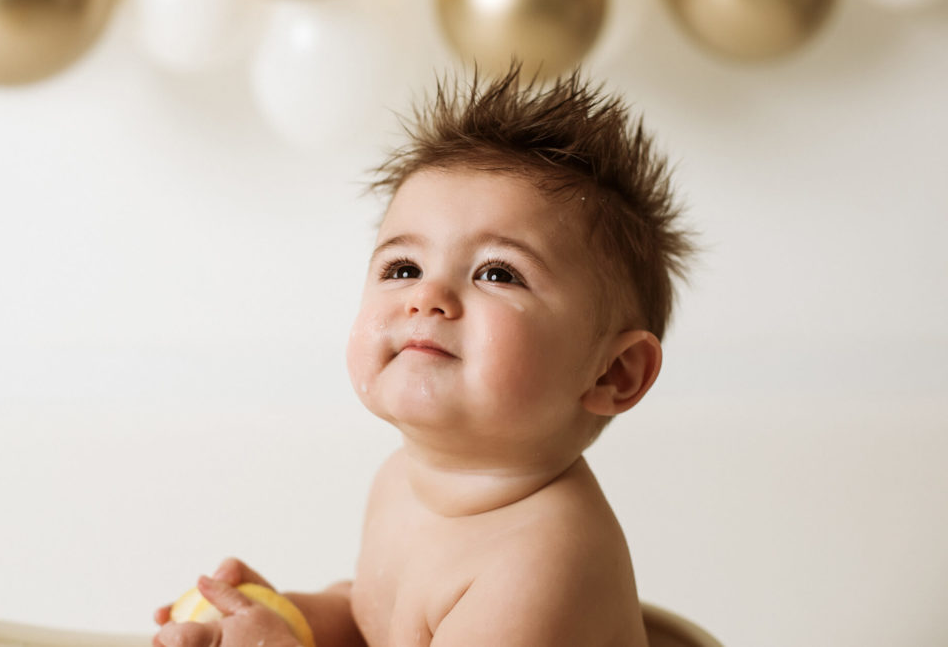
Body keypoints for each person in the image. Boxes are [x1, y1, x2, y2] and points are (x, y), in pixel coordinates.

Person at [153, 63, 696, 647]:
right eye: (403, 267)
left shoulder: (540, 563)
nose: (426, 296)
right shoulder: (401, 482)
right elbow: (374, 621)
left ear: (613, 373)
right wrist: (287, 619)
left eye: (498, 273)